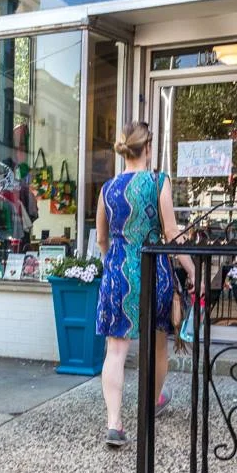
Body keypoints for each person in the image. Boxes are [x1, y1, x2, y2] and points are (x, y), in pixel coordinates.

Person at [95, 121, 194, 447]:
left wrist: (116, 261)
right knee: (157, 344)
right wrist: (191, 270)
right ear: (148, 148)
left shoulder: (107, 188)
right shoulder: (157, 181)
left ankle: (114, 423)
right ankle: (151, 404)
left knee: (116, 350)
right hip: (155, 274)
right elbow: (170, 233)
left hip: (117, 276)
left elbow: (101, 238)